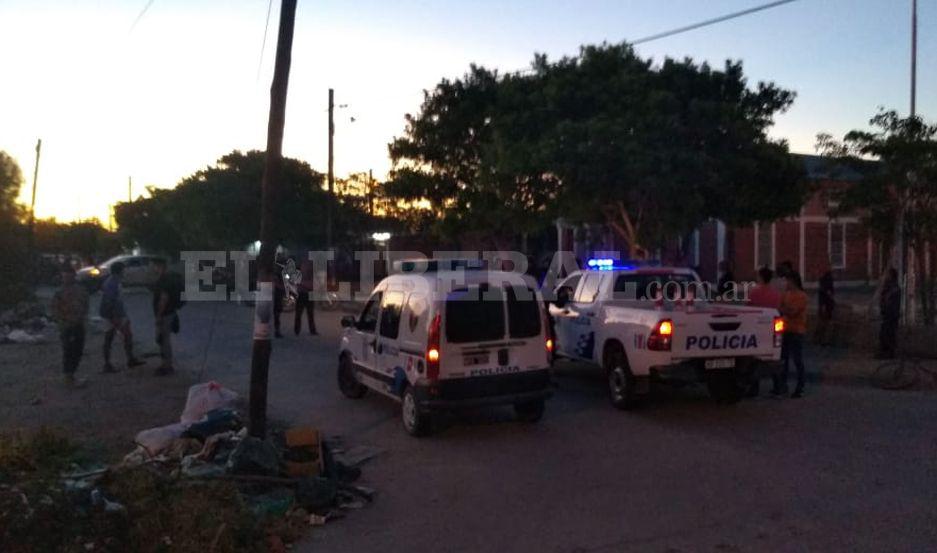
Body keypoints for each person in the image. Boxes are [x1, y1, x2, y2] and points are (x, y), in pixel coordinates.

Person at [100, 262, 144, 372]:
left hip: (115, 314)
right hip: (113, 315)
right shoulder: (112, 283)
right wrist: (114, 317)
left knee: (120, 337)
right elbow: (109, 301)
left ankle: (128, 359)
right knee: (113, 338)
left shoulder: (113, 282)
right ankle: (109, 363)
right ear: (120, 271)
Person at [51, 263, 90, 388]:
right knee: (69, 352)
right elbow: (55, 310)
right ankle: (68, 378)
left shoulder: (80, 290)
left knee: (78, 351)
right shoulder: (59, 293)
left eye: (69, 276)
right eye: (65, 276)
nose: (67, 279)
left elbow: (85, 305)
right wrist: (63, 322)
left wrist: (82, 317)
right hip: (67, 326)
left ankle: (71, 376)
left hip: (78, 324)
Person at [746, 267, 781, 396]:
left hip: (756, 328)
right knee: (773, 357)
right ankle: (777, 386)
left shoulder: (754, 293)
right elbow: (778, 310)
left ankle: (754, 388)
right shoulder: (776, 294)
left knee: (754, 358)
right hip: (771, 328)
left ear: (760, 277)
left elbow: (749, 309)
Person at [774, 271, 808, 398]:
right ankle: (783, 387)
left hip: (797, 330)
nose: (786, 283)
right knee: (784, 359)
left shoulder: (801, 296)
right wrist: (785, 310)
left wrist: (785, 310)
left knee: (797, 360)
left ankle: (800, 387)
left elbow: (793, 312)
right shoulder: (786, 295)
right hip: (785, 329)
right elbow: (779, 308)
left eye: (788, 281)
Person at [152, 258, 184, 376]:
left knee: (163, 340)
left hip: (165, 314)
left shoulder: (163, 280)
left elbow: (163, 299)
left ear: (159, 266)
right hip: (170, 312)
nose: (153, 268)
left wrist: (159, 315)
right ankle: (166, 364)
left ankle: (167, 366)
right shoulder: (168, 278)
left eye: (154, 266)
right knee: (163, 339)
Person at [877, 268, 901, 359]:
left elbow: (890, 302)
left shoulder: (895, 289)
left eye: (888, 275)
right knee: (884, 333)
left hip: (891, 315)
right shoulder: (888, 287)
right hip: (887, 314)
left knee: (889, 333)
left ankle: (889, 352)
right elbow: (883, 298)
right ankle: (885, 351)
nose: (885, 277)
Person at [294, 257, 318, 336]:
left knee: (310, 313)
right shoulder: (299, 273)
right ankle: (297, 330)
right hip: (302, 294)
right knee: (299, 313)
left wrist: (303, 283)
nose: (306, 267)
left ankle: (312, 330)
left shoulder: (310, 274)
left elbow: (311, 285)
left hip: (307, 294)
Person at [815, 266, 836, 346]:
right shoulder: (827, 284)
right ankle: (821, 339)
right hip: (826, 305)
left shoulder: (823, 284)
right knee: (824, 323)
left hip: (825, 305)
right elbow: (828, 294)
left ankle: (820, 339)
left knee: (823, 323)